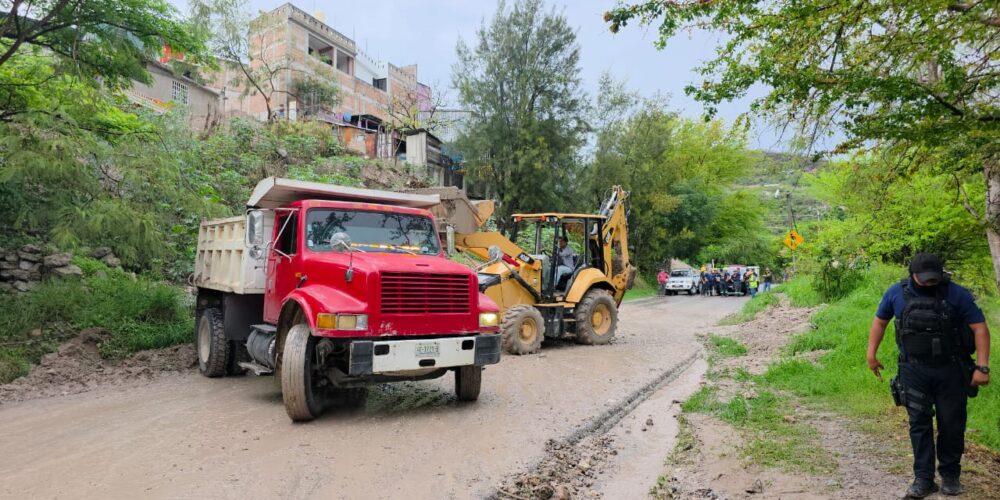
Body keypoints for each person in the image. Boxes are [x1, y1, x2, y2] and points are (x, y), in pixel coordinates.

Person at [867, 253, 990, 498]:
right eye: (924, 279)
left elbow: (980, 329)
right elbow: (880, 322)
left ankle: (951, 475)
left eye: (934, 278)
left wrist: (982, 366)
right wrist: (871, 354)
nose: (929, 282)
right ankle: (923, 479)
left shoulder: (957, 294)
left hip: (951, 369)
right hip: (913, 370)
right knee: (919, 424)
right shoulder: (896, 293)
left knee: (952, 424)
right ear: (912, 274)